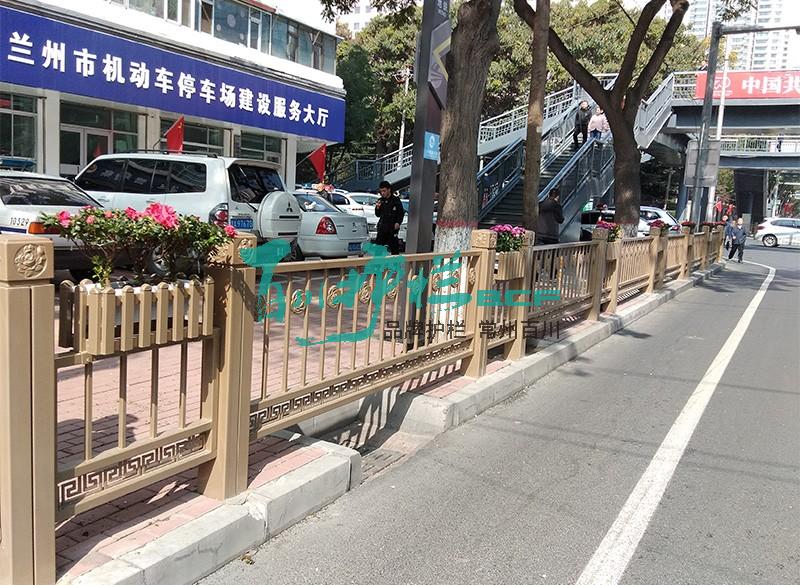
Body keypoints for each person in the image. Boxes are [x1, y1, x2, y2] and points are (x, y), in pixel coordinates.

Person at [374, 180, 405, 254]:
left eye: (384, 191)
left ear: (389, 190)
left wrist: (398, 222)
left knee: (394, 249)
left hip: (392, 228)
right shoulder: (380, 200)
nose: (382, 193)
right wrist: (377, 208)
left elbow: (401, 213)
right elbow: (378, 214)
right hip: (382, 228)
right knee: (378, 249)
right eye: (381, 191)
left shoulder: (395, 200)